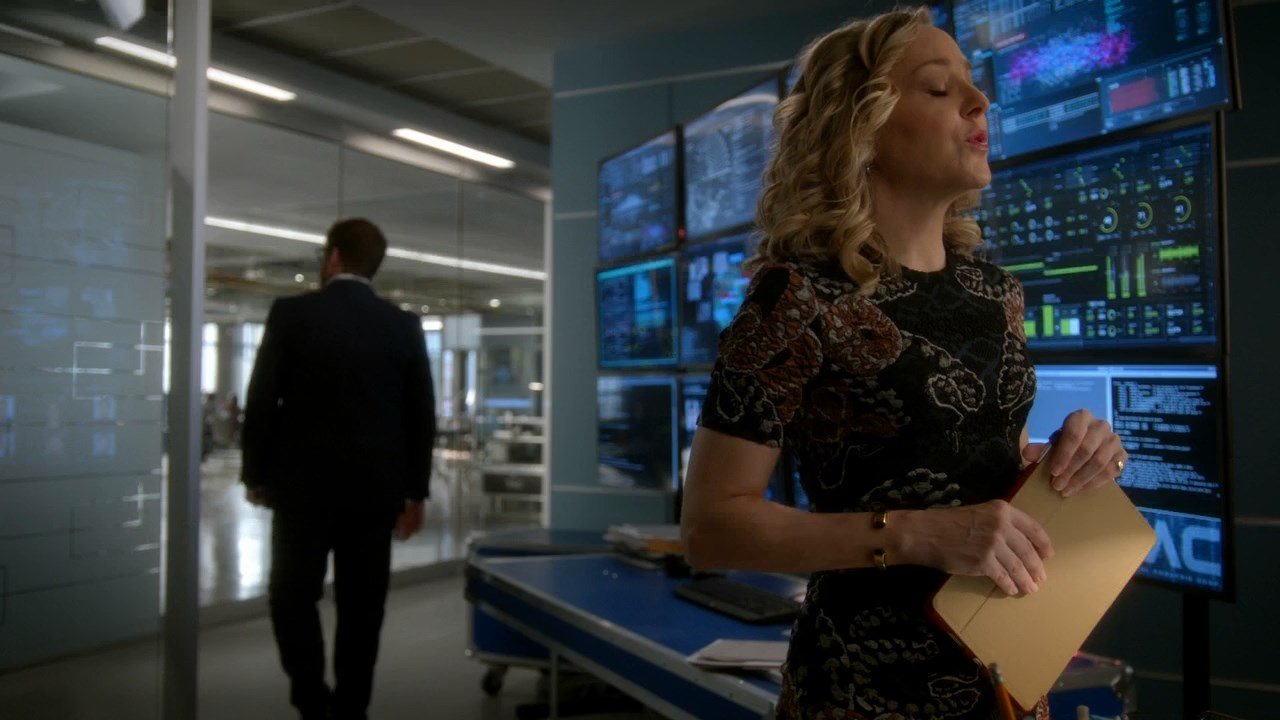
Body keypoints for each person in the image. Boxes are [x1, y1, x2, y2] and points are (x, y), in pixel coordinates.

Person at [679, 8, 1129, 720]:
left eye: (973, 85)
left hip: (1008, 677)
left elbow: (987, 476)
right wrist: (918, 534)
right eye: (939, 88)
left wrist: (1069, 465)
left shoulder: (995, 293)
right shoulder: (795, 298)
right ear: (861, 129)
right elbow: (709, 529)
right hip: (864, 690)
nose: (979, 102)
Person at [240, 218, 437, 720]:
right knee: (363, 606)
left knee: (292, 596)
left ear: (333, 258)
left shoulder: (291, 314)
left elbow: (262, 400)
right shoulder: (402, 325)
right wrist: (415, 493)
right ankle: (351, 708)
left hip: (301, 489)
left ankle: (311, 699)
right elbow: (420, 417)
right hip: (375, 493)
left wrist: (255, 474)